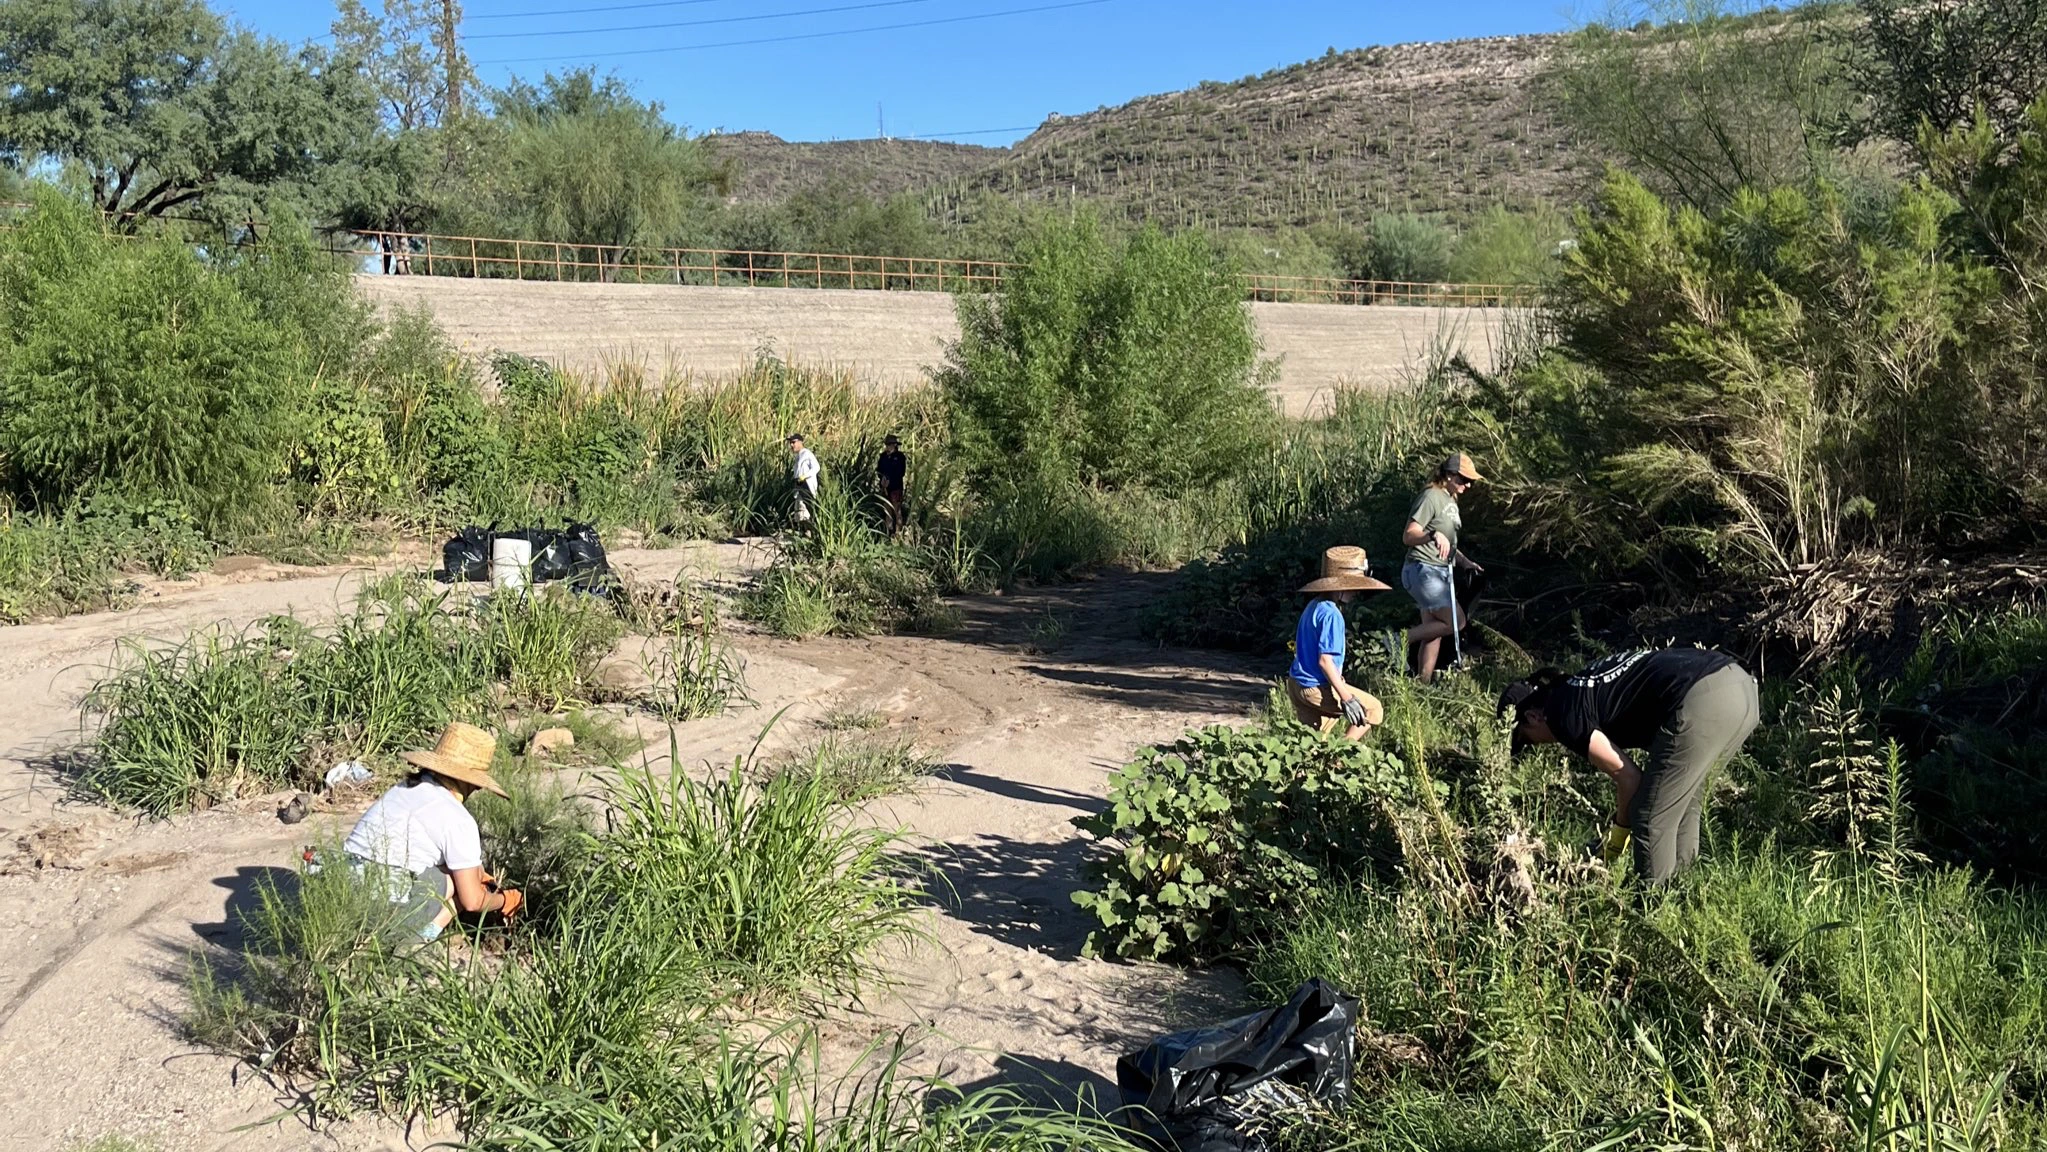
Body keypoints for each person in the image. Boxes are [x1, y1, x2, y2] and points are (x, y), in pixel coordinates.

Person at [1499, 648, 1760, 885]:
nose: (1537, 745)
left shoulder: (1561, 714)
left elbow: (1629, 778)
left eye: (1526, 740)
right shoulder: (1576, 687)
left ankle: (1653, 916)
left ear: (1532, 717)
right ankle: (1683, 896)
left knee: (1649, 817)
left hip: (1701, 697)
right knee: (1684, 805)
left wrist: (1619, 834)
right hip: (1740, 688)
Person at [332, 722, 522, 942]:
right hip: (381, 914)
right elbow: (473, 901)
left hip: (341, 895)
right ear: (472, 781)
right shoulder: (458, 819)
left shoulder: (401, 790)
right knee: (457, 882)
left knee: (458, 873)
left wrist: (479, 873)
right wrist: (506, 900)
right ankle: (418, 938)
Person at [1286, 546, 1390, 740]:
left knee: (1311, 743)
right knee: (1373, 709)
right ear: (1340, 586)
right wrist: (1347, 697)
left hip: (1296, 684)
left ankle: (1313, 766)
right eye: (1354, 586)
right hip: (1315, 688)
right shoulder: (1333, 615)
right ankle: (1340, 757)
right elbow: (1325, 661)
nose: (1357, 591)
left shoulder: (1314, 606)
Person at [1401, 452, 1484, 682]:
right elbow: (1409, 535)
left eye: (1470, 481)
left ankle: (1422, 684)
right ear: (1448, 475)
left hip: (1438, 571)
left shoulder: (1450, 500)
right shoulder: (1431, 496)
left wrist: (1465, 562)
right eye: (1463, 479)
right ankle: (1398, 639)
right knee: (1455, 622)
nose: (1467, 485)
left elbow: (1447, 542)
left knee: (1435, 631)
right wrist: (1431, 534)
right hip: (1423, 570)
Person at [876, 434, 907, 536]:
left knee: (897, 510)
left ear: (894, 445)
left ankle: (899, 532)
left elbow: (901, 472)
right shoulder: (883, 457)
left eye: (890, 445)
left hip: (895, 487)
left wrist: (890, 479)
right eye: (887, 445)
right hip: (885, 488)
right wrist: (882, 479)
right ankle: (888, 532)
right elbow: (879, 470)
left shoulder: (900, 457)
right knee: (887, 510)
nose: (888, 447)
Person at [788, 433, 821, 527]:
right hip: (799, 485)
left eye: (793, 442)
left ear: (800, 442)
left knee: (808, 509)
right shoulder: (798, 456)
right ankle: (804, 531)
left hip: (806, 485)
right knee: (799, 510)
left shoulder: (807, 454)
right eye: (790, 443)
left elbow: (816, 467)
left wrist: (805, 476)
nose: (791, 445)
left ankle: (811, 531)